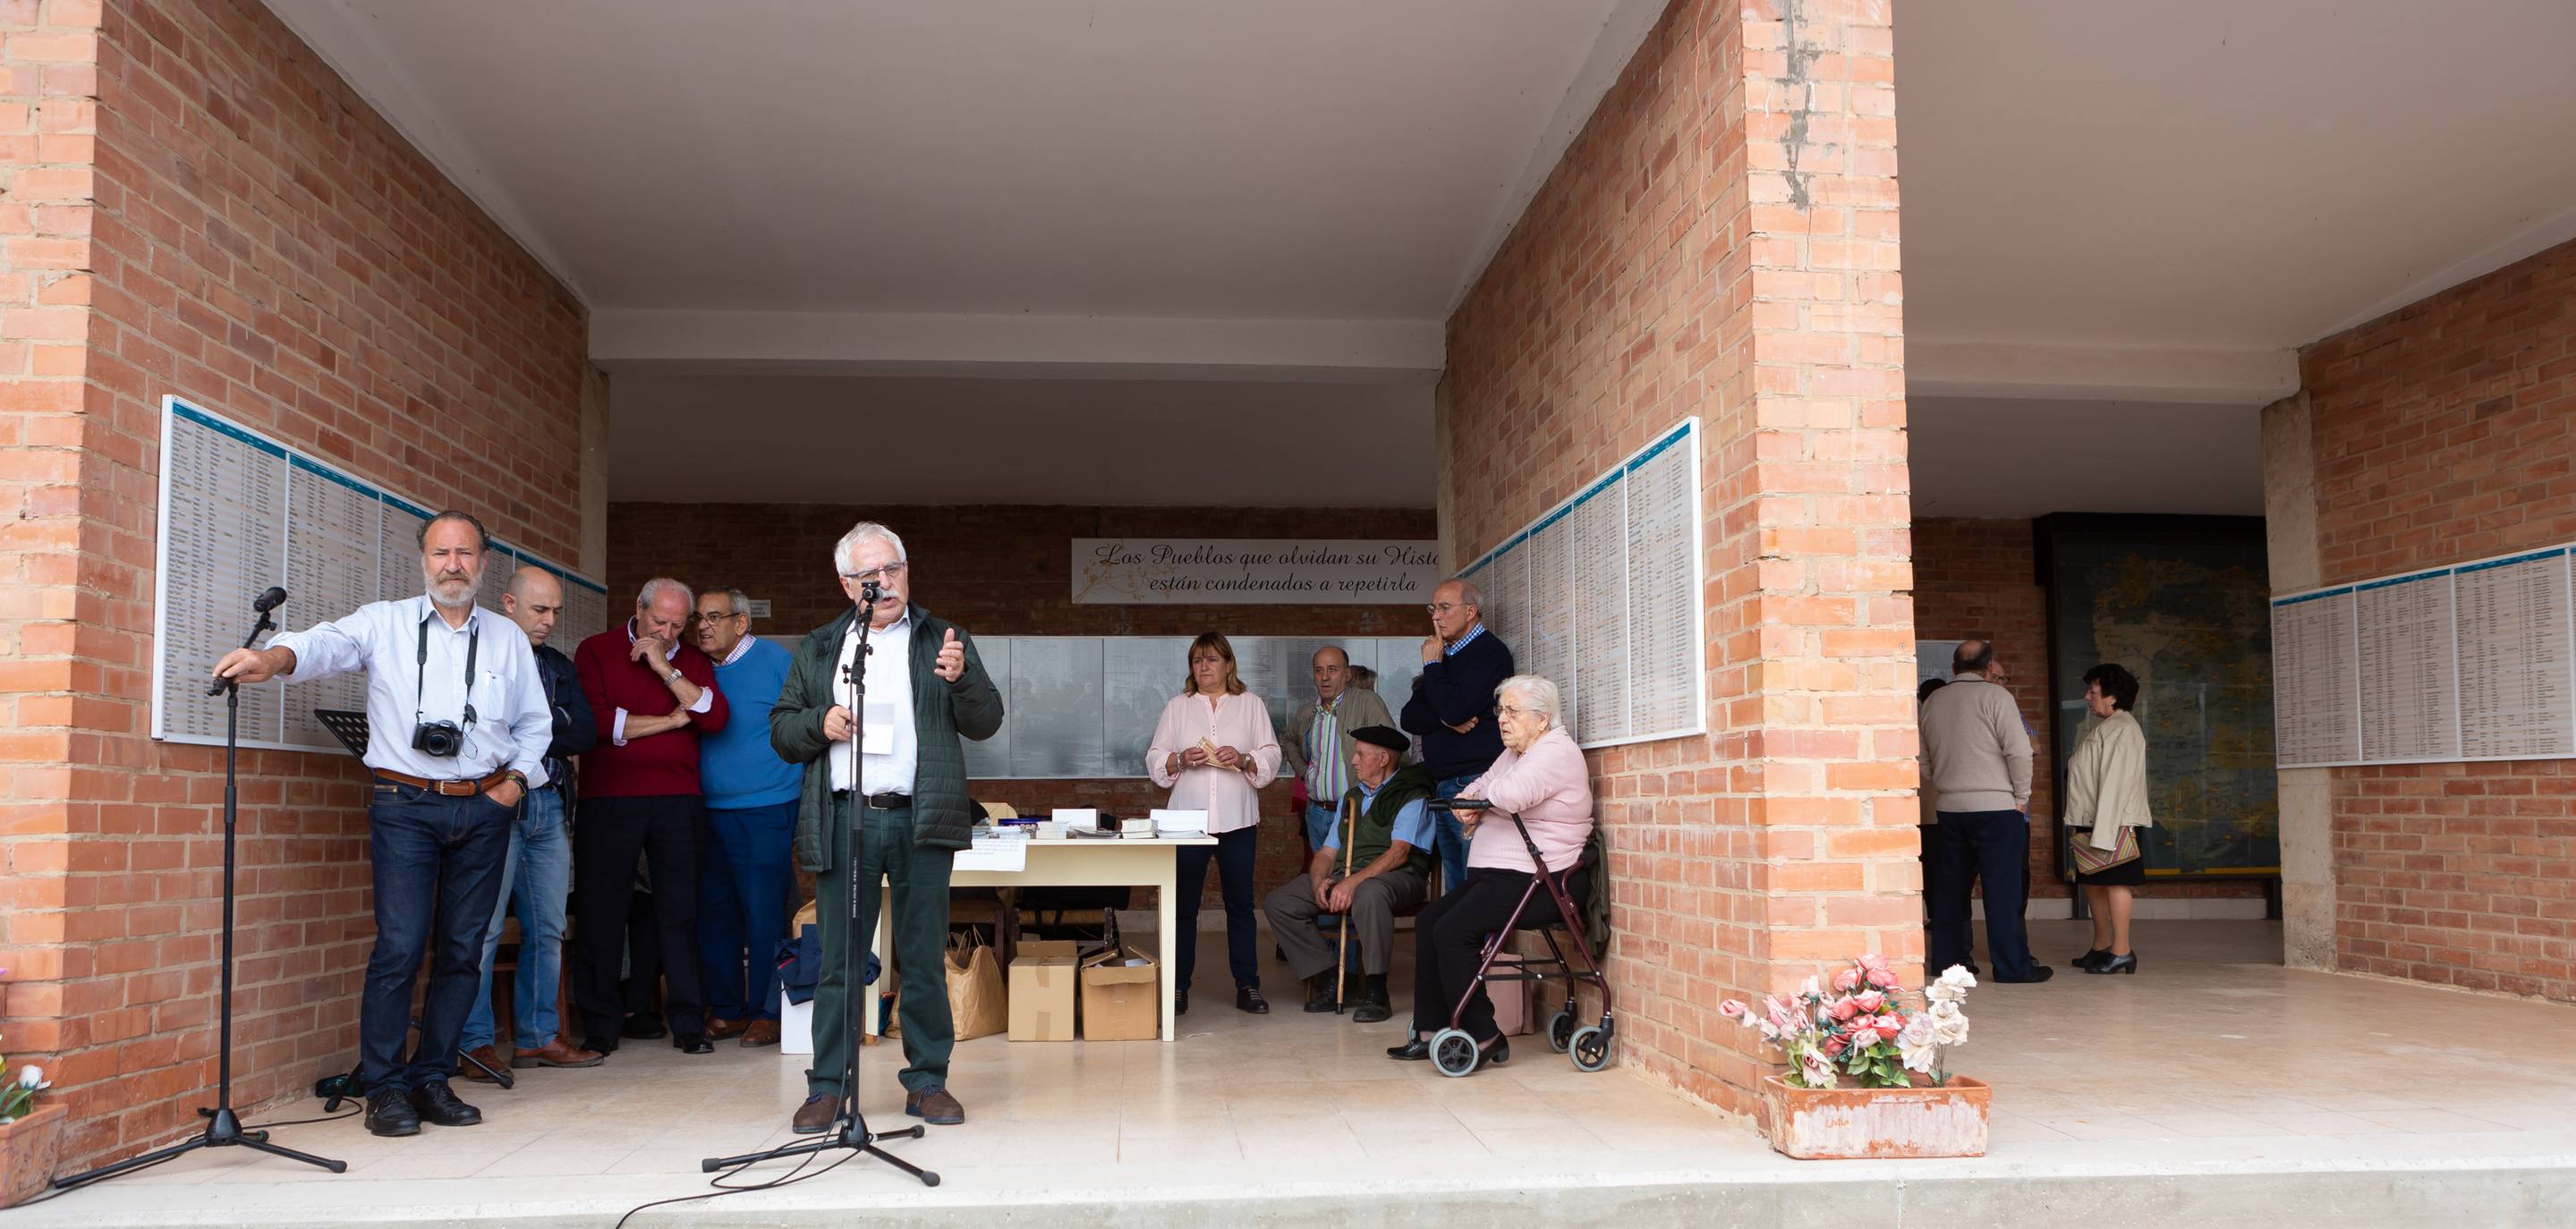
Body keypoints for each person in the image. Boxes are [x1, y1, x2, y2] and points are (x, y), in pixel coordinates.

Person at [212, 511, 551, 1139]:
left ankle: (431, 1078)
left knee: (461, 950)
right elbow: (322, 644)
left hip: (484, 807)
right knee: (398, 948)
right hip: (405, 807)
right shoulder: (384, 622)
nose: (453, 563)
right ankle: (385, 1087)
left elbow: (536, 725)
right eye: (441, 552)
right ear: (423, 559)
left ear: (483, 563)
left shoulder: (506, 638)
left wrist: (514, 783)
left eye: (465, 553)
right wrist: (275, 658)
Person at [772, 521, 1002, 1132]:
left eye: (894, 569)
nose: (886, 582)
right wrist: (818, 724)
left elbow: (985, 723)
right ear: (849, 585)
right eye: (871, 575)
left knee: (922, 958)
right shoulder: (823, 648)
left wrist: (963, 678)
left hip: (920, 818)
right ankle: (828, 1086)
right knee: (839, 962)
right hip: (846, 816)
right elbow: (782, 730)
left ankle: (928, 1081)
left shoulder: (943, 639)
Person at [1390, 675, 1592, 1070]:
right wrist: (1472, 801)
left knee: (1453, 931)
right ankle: (1432, 1030)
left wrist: (1476, 802)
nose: (1503, 719)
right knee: (1431, 919)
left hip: (1539, 883)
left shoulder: (1556, 752)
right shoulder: (1517, 753)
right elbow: (1480, 786)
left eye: (1513, 711)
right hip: (1499, 878)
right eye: (1501, 711)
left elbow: (1507, 795)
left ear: (1542, 718)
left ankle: (1484, 1033)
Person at [572, 578, 731, 1055]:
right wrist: (669, 720)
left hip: (678, 798)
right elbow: (594, 724)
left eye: (677, 627)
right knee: (602, 911)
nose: (666, 633)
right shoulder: (596, 651)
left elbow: (714, 716)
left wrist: (664, 668)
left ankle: (687, 1023)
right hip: (608, 797)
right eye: (658, 622)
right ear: (637, 610)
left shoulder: (689, 659)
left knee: (679, 912)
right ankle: (600, 1024)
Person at [455, 567, 602, 1081]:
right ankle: (473, 1042)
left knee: (549, 927)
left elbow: (582, 729)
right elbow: (479, 729)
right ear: (509, 603)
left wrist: (537, 725)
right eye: (540, 609)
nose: (549, 620)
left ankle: (539, 1036)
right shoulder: (477, 653)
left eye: (555, 611)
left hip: (548, 803)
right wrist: (537, 727)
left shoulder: (557, 663)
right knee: (484, 928)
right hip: (493, 805)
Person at [1144, 633, 1282, 1015]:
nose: (1204, 667)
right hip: (1187, 822)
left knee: (1240, 905)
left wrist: (1244, 758)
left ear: (1228, 664)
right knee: (1183, 906)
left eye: (1212, 660)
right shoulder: (1178, 706)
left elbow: (1272, 754)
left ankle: (1248, 985)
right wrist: (1178, 759)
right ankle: (1177, 987)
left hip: (1238, 818)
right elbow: (1155, 756)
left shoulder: (1250, 704)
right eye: (1197, 661)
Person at [691, 587, 802, 1047]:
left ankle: (767, 1012)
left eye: (715, 617)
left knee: (764, 915)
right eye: (699, 617)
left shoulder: (776, 660)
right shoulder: (697, 668)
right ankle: (730, 1008)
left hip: (767, 806)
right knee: (715, 912)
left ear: (742, 622)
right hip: (707, 808)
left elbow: (805, 722)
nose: (703, 626)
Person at [1262, 725, 1433, 1023]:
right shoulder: (1350, 797)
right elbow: (1327, 853)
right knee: (1280, 902)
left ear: (1383, 759)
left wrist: (1353, 881)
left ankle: (1377, 991)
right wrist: (1318, 883)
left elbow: (1399, 852)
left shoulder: (1410, 794)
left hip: (1400, 876)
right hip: (1349, 873)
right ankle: (1333, 976)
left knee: (1370, 893)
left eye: (1360, 754)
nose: (1353, 761)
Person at [1919, 640, 2051, 983]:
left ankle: (1948, 964)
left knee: (1949, 892)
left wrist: (1947, 784)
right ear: (1990, 667)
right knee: (2002, 892)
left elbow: (1923, 759)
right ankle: (2012, 968)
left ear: (1953, 668)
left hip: (1949, 807)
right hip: (1997, 808)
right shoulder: (1998, 698)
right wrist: (2020, 796)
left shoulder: (1934, 701)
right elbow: (2020, 752)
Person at [1400, 579, 1517, 893]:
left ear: (1470, 611)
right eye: (1432, 608)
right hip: (1445, 784)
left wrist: (1434, 668)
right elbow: (1409, 716)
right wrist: (1446, 718)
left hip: (1473, 782)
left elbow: (1454, 708)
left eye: (1444, 608)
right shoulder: (1444, 657)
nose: (1435, 617)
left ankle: (1480, 945)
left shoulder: (1488, 653)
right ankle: (1462, 944)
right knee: (1455, 884)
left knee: (1473, 883)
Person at [2065, 663, 2151, 975]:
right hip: (2094, 818)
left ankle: (2122, 951)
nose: (2088, 697)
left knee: (2116, 881)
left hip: (2113, 820)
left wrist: (2105, 830)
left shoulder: (2122, 729)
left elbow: (2115, 782)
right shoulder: (2108, 727)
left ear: (2113, 697)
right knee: (2094, 882)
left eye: (2094, 691)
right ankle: (2101, 946)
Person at [1281, 646, 1395, 854]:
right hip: (1316, 812)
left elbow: (1392, 748)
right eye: (1319, 670)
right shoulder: (1307, 712)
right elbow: (1288, 740)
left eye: (1332, 670)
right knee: (1322, 881)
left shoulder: (1367, 702)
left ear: (1347, 674)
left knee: (1352, 880)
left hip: (1355, 812)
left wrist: (1374, 798)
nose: (1325, 677)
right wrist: (1305, 772)